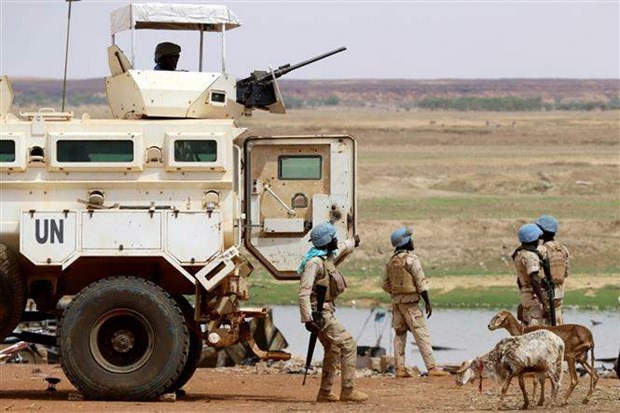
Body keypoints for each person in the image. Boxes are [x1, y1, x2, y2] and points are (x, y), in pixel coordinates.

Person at [298, 223, 368, 403]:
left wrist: (353, 242)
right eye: (334, 237)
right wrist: (308, 319)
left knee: (332, 349)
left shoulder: (324, 259)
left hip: (324, 312)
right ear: (328, 241)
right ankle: (348, 390)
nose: (337, 240)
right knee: (349, 344)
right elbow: (304, 293)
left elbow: (341, 249)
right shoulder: (314, 263)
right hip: (320, 314)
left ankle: (325, 392)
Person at [382, 227, 449, 378]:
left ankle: (400, 368)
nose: (412, 241)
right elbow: (421, 282)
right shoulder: (412, 259)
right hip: (411, 303)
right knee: (421, 334)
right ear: (405, 242)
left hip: (397, 303)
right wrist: (427, 302)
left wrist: (397, 293)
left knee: (399, 335)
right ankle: (432, 367)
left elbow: (385, 284)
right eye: (410, 239)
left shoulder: (391, 261)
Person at [536, 215, 570, 325]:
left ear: (542, 231)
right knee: (558, 322)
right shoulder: (563, 248)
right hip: (559, 292)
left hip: (545, 293)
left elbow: (537, 275)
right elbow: (566, 272)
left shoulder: (541, 249)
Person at [512, 223, 548, 326]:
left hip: (525, 295)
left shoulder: (519, 254)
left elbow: (519, 280)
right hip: (533, 297)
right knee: (535, 330)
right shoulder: (531, 256)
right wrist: (544, 303)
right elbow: (534, 280)